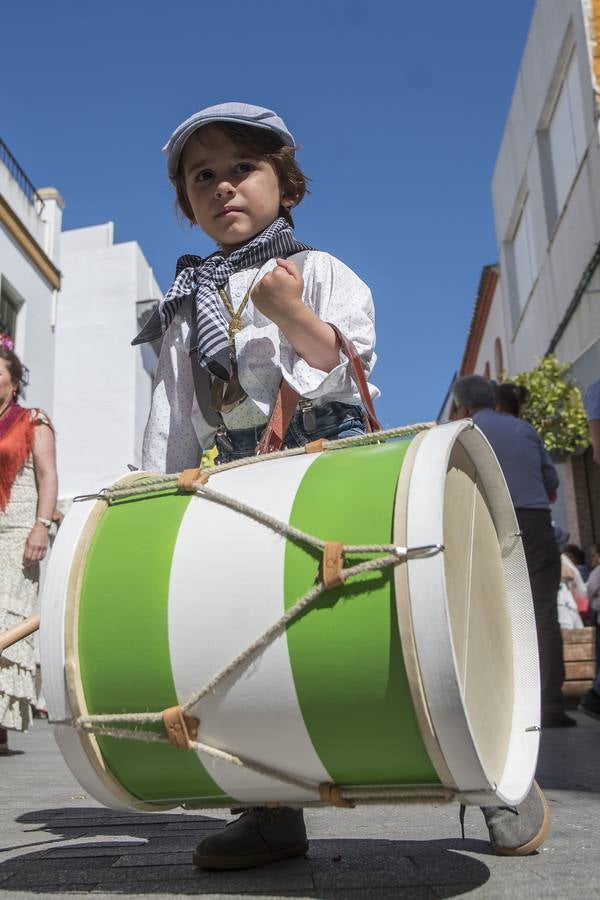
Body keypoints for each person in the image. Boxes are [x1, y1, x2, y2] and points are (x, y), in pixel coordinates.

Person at [134, 102, 378, 871]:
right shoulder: (187, 302)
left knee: (375, 618)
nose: (223, 186)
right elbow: (174, 409)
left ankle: (485, 774)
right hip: (237, 476)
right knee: (242, 635)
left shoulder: (321, 270)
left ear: (287, 185)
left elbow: (346, 364)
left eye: (243, 168)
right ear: (188, 204)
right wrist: (155, 492)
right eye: (202, 176)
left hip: (324, 460)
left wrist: (291, 310)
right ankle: (269, 812)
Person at [453, 376, 574, 729]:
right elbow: (551, 484)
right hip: (536, 522)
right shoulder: (524, 429)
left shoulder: (462, 431)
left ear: (463, 405)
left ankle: (497, 708)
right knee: (544, 614)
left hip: (488, 520)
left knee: (486, 611)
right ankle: (550, 704)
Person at [0, 348, 58, 754]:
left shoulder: (33, 420)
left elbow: (48, 475)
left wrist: (42, 525)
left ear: (14, 382)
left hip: (18, 533)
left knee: (7, 625)